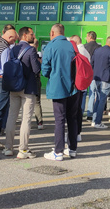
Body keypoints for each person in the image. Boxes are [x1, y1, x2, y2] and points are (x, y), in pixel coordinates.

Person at [41, 23, 79, 161]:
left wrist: (52, 74)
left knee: (59, 120)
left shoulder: (50, 46)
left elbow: (45, 69)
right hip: (74, 87)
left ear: (52, 33)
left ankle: (58, 152)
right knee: (72, 118)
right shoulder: (72, 45)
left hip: (58, 87)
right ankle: (72, 149)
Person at [3, 27, 40, 159]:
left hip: (14, 87)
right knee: (26, 119)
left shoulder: (13, 49)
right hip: (28, 88)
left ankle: (8, 147)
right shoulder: (31, 50)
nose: (33, 36)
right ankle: (23, 149)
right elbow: (36, 69)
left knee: (11, 117)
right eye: (31, 34)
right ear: (24, 35)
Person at [90, 36, 110, 128]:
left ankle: (94, 120)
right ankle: (98, 122)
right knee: (102, 100)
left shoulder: (97, 50)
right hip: (106, 78)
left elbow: (92, 63)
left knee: (97, 99)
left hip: (96, 77)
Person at [70, 35, 91, 142]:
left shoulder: (75, 53)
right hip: (83, 85)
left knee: (72, 111)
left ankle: (73, 133)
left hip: (75, 85)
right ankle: (78, 132)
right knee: (79, 110)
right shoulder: (86, 52)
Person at [83, 31, 100, 120]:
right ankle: (90, 113)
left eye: (87, 37)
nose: (86, 38)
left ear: (90, 37)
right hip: (94, 73)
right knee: (92, 93)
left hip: (85, 72)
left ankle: (81, 111)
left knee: (83, 93)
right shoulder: (99, 47)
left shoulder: (84, 47)